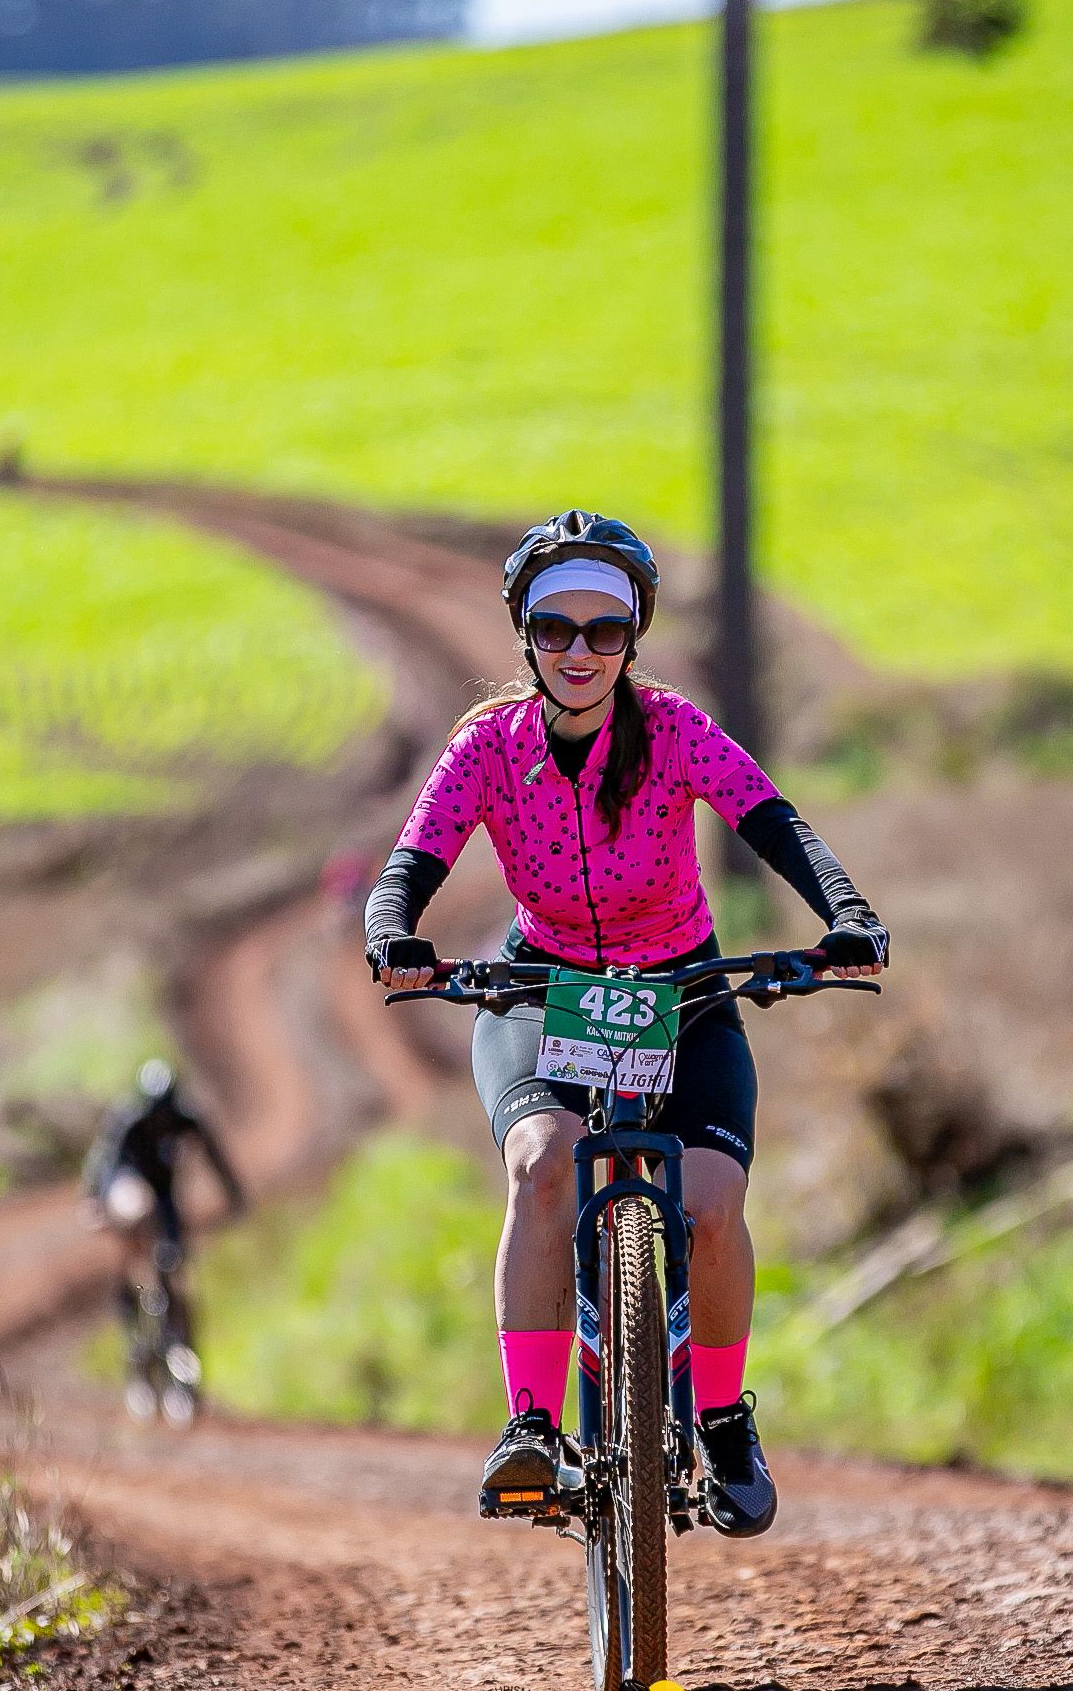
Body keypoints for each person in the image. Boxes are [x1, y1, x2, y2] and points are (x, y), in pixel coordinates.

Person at [363, 510, 888, 1537]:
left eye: (604, 630)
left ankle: (723, 1420)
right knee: (542, 1162)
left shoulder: (676, 731)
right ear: (525, 637)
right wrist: (394, 932)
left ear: (633, 639)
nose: (580, 651)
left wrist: (847, 913)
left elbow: (774, 822)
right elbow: (409, 865)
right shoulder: (488, 747)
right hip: (544, 986)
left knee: (713, 1199)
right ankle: (532, 1424)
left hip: (681, 987)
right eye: (555, 628)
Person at [85, 1058, 247, 1394]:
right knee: (137, 1216)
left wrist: (234, 1196)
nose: (161, 1120)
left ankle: (179, 1336)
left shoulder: (185, 1118)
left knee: (174, 1260)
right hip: (128, 1184)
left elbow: (215, 1157)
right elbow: (103, 1161)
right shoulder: (130, 1119)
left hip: (164, 1193)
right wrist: (94, 1200)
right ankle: (133, 1316)